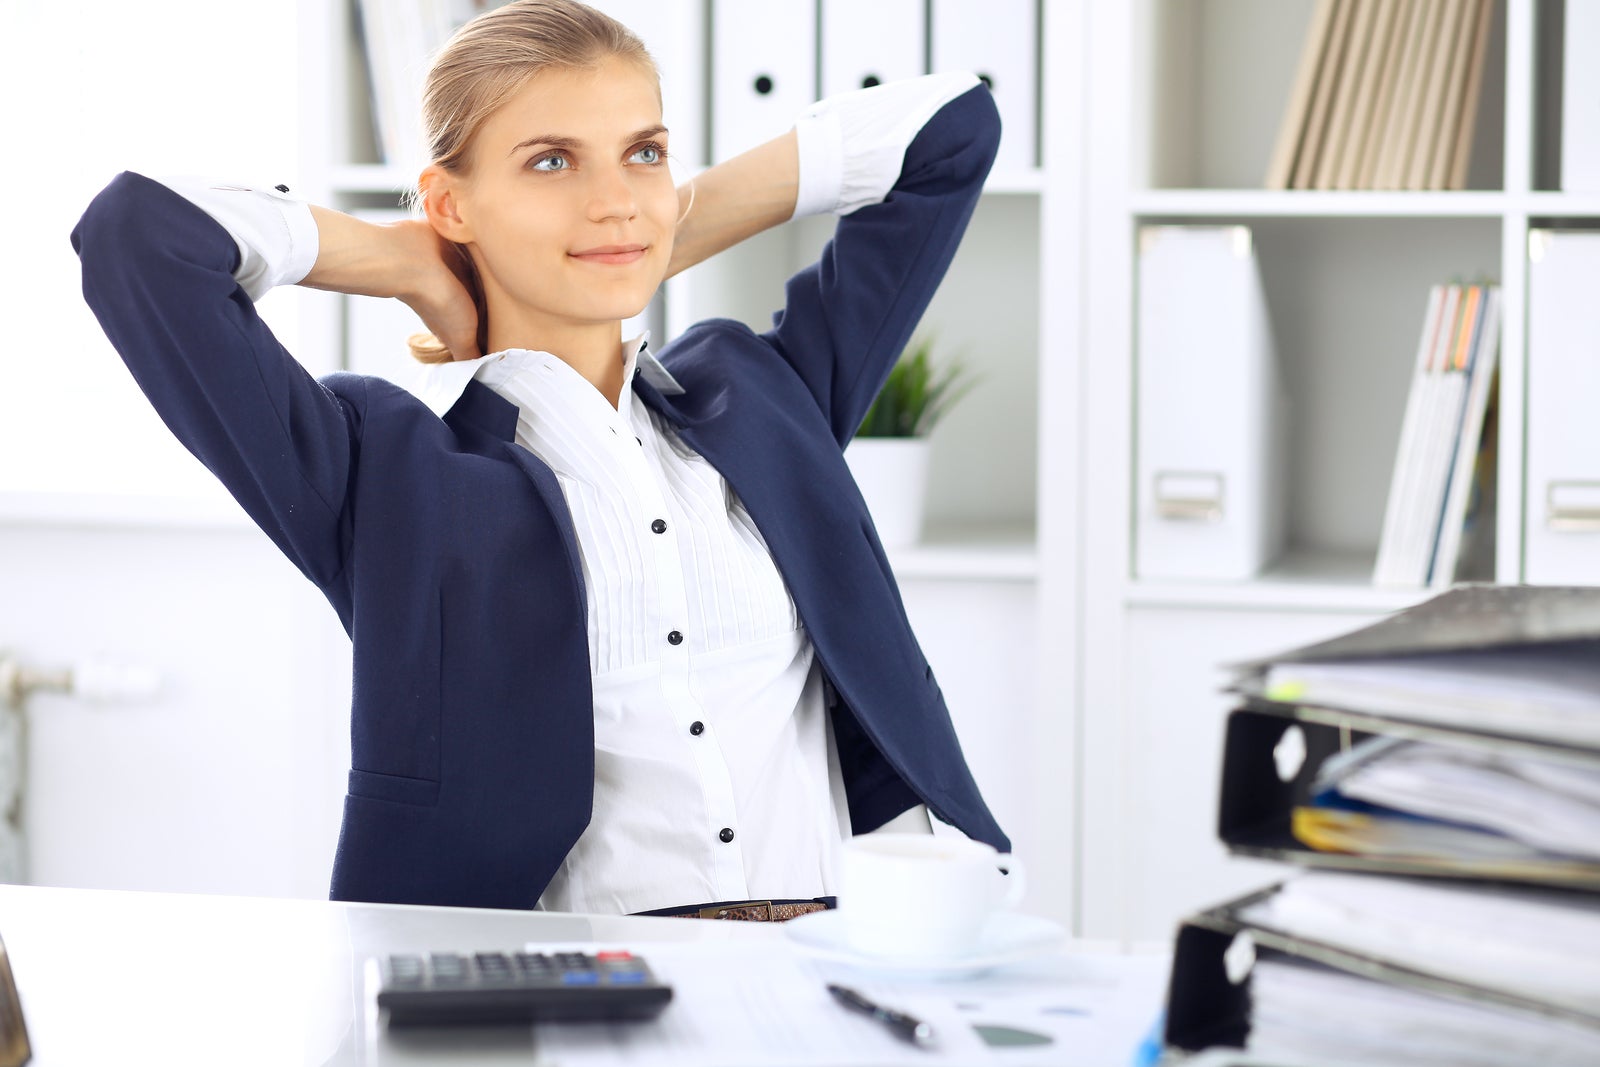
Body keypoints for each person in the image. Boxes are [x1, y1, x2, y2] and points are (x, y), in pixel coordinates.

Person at [73, 0, 1008, 917]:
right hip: (569, 992)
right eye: (552, 161)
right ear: (450, 201)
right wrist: (405, 258)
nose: (611, 196)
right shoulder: (386, 469)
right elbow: (139, 241)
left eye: (643, 151)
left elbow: (953, 130)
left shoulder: (761, 398)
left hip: (841, 964)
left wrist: (655, 229)